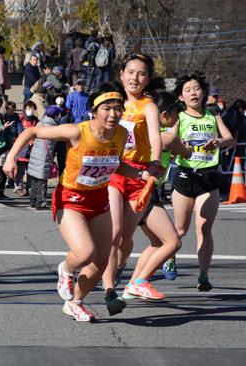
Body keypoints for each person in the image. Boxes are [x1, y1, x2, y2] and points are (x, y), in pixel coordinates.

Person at [3, 83, 150, 322]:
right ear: (94, 110)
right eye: (107, 108)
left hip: (99, 199)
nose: (113, 114)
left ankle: (75, 302)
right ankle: (67, 269)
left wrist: (139, 173)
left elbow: (115, 163)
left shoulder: (122, 134)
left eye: (118, 109)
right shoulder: (77, 132)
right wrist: (10, 159)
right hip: (70, 198)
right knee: (84, 252)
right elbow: (31, 132)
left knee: (101, 261)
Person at [101, 53, 164, 316]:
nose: (134, 78)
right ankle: (108, 290)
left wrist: (155, 164)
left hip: (139, 177)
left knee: (126, 239)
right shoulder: (113, 104)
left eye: (140, 73)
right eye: (130, 72)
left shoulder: (148, 106)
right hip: (114, 172)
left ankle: (120, 265)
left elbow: (155, 138)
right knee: (114, 233)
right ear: (121, 74)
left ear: (147, 79)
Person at [167, 72, 234, 291]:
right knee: (180, 230)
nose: (193, 93)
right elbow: (167, 142)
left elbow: (231, 140)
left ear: (203, 92)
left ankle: (203, 276)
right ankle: (169, 256)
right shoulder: (179, 117)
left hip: (209, 176)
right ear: (181, 96)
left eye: (196, 88)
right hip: (186, 176)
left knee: (204, 227)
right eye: (188, 90)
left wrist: (218, 141)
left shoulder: (212, 114)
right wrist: (178, 145)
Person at [122, 91, 191, 301]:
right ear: (163, 115)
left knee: (157, 243)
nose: (177, 119)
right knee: (172, 242)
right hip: (146, 191)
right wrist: (184, 148)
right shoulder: (167, 136)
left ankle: (132, 286)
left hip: (136, 188)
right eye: (174, 115)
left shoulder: (140, 132)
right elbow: (186, 154)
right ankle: (139, 282)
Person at [27, 105, 61, 210]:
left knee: (34, 178)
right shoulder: (54, 128)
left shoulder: (39, 123)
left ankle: (33, 200)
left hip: (35, 154)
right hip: (44, 156)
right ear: (55, 115)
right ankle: (40, 202)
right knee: (42, 179)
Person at [14, 101, 39, 196]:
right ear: (24, 108)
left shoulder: (36, 120)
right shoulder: (20, 119)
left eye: (32, 108)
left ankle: (29, 187)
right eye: (28, 108)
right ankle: (18, 187)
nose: (30, 110)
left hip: (32, 147)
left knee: (30, 169)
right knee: (20, 169)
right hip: (22, 146)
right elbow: (19, 132)